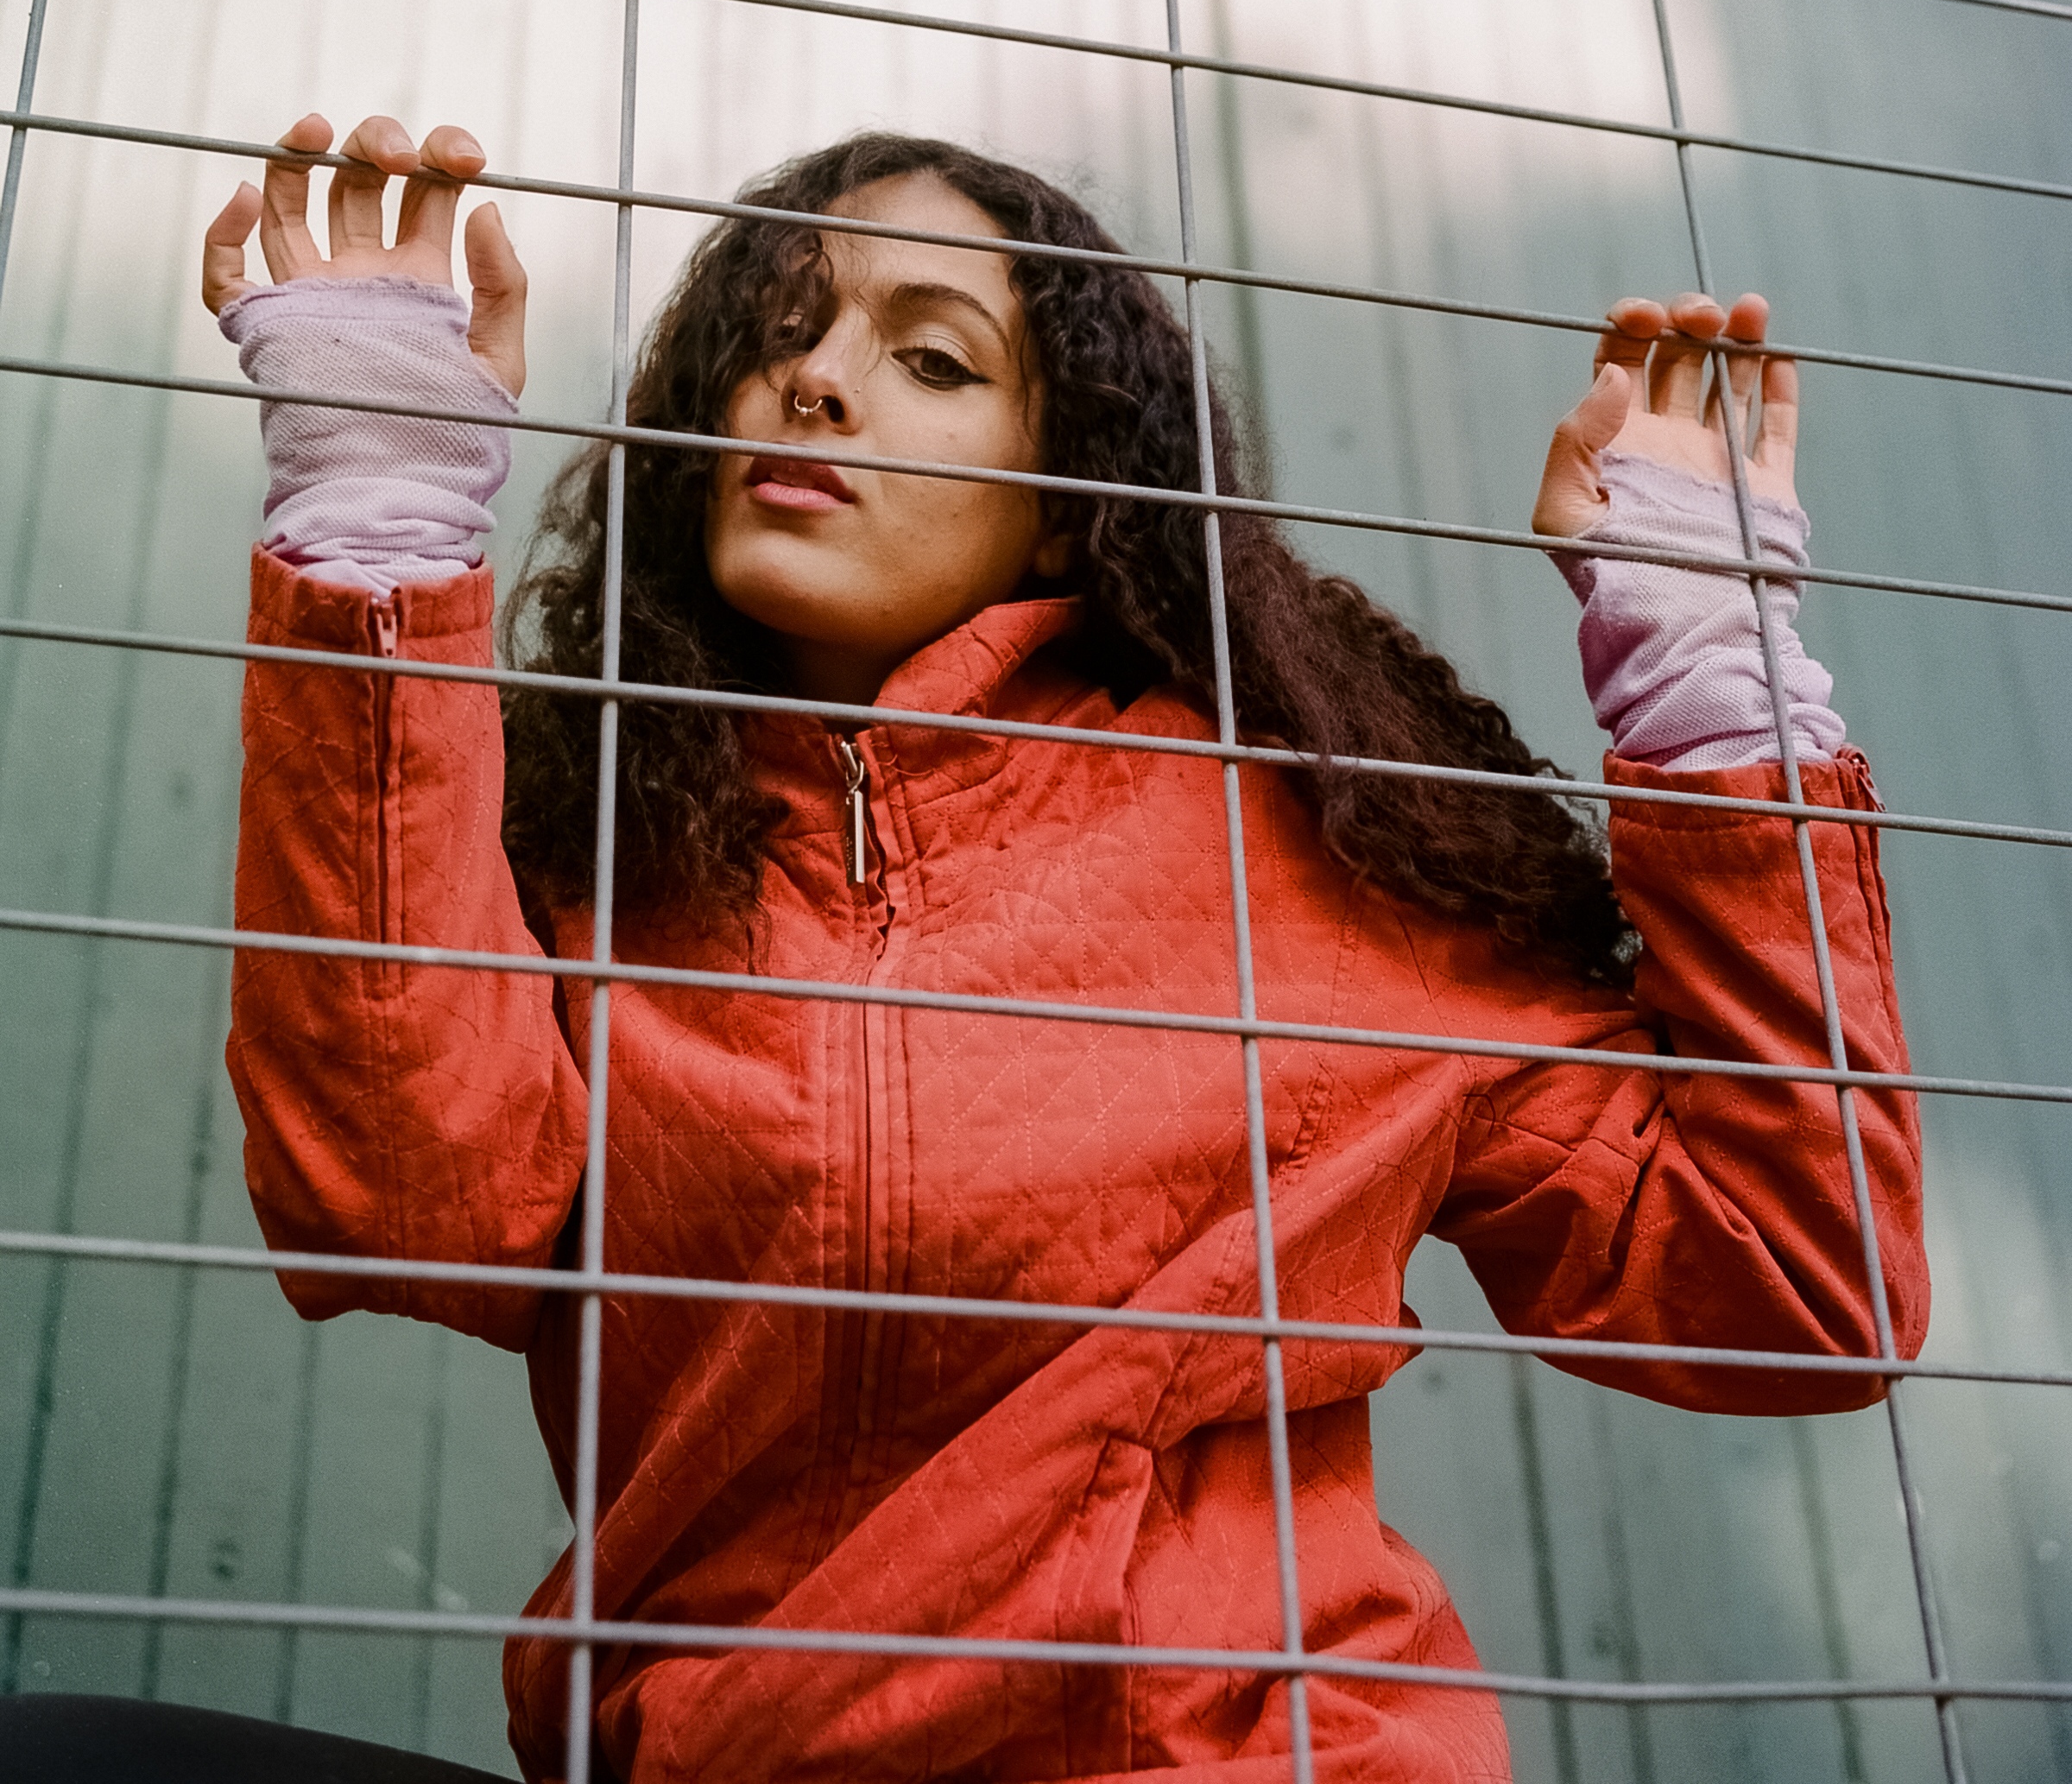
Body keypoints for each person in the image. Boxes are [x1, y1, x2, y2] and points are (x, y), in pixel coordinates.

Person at [201, 111, 1926, 1781]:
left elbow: (1795, 1285)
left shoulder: (1297, 853)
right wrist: (378, 527)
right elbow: (401, 1207)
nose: (816, 380)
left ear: (1057, 501)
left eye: (932, 358)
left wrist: (1711, 683)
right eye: (777, 332)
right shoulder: (598, 854)